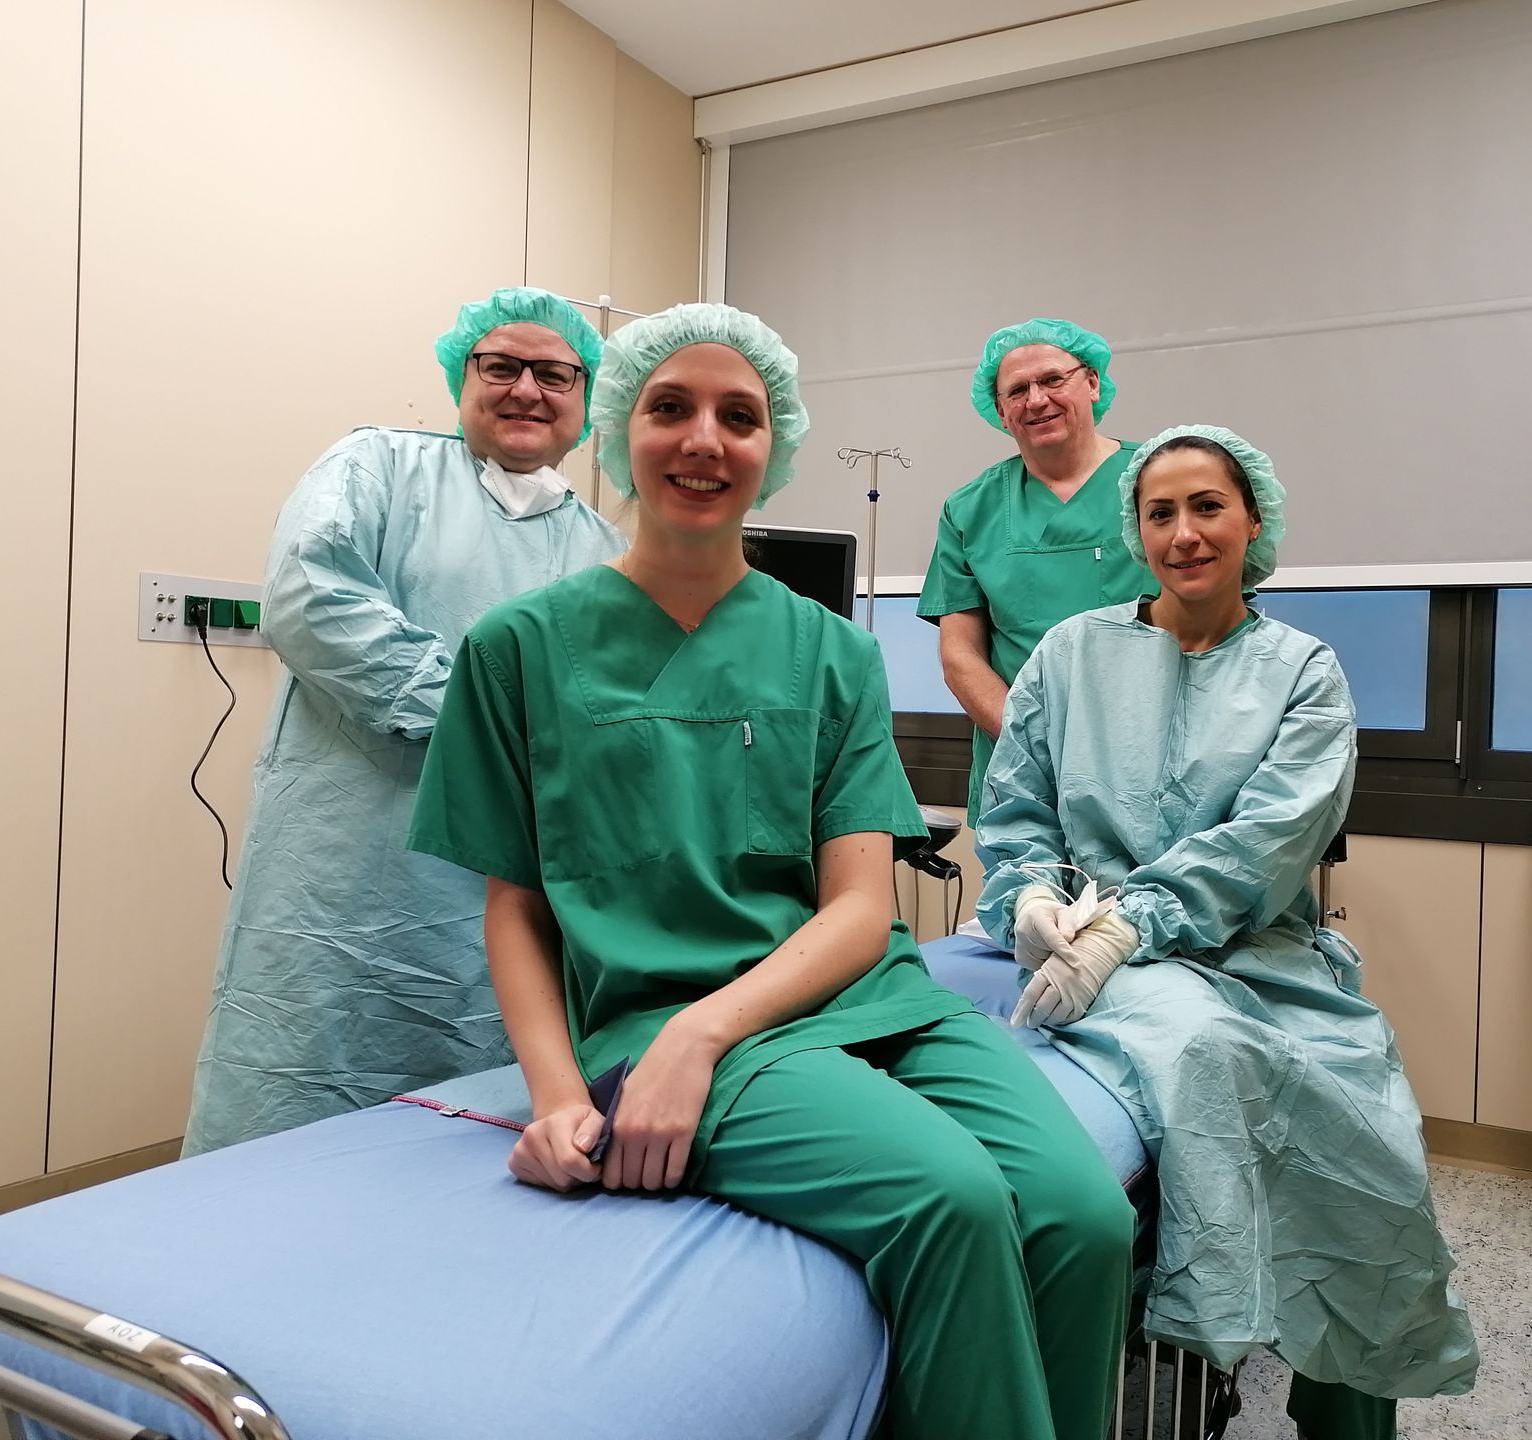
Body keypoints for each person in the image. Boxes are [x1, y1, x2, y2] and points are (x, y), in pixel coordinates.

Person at [407, 303, 1134, 1440]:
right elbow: (516, 905)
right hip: (655, 1015)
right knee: (951, 1201)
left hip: (864, 998)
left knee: (1083, 1213)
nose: (705, 440)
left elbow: (858, 910)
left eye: (739, 417)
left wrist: (708, 1035)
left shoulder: (833, 649)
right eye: (670, 409)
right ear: (618, 430)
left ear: (772, 448)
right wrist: (559, 1096)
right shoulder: (518, 647)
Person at [975, 425, 1480, 1439]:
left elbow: (1270, 841)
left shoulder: (1303, 670)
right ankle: (1191, 1318)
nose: (1184, 532)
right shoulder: (1072, 654)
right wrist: (1032, 901)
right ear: (1136, 528)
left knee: (1377, 1150)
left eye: (1208, 506)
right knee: (1202, 1052)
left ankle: (1342, 1413)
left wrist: (1137, 923)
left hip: (1262, 956)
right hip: (1092, 948)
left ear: (1254, 522)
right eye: (1160, 512)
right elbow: (1016, 811)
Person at [182, 287, 625, 1156]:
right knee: (302, 1092)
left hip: (510, 883)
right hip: (349, 875)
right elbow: (314, 602)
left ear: (586, 399)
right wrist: (488, 723)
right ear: (463, 378)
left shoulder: (606, 552)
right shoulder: (375, 470)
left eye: (554, 373)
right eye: (500, 366)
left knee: (474, 1121)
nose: (526, 389)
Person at [918, 318, 1152, 819]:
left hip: (1152, 758)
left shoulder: (1156, 483)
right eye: (1017, 390)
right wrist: (1034, 744)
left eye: (1052, 380)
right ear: (1001, 411)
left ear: (1091, 383)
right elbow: (960, 656)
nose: (1036, 399)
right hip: (1025, 770)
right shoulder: (970, 510)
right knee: (1030, 896)